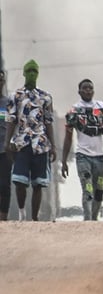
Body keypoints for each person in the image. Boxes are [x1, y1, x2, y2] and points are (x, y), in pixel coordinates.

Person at [61, 78, 103, 221]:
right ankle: (88, 220)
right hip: (83, 156)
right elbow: (68, 137)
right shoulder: (74, 112)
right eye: (85, 88)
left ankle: (94, 221)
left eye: (90, 88)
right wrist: (64, 160)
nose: (88, 90)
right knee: (88, 189)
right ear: (79, 91)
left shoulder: (101, 110)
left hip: (100, 158)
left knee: (99, 191)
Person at [4, 59, 56, 221]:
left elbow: (48, 122)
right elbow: (11, 120)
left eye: (35, 71)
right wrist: (7, 142)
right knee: (19, 182)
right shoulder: (16, 96)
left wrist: (53, 146)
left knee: (39, 183)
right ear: (24, 73)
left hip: (40, 144)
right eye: (29, 71)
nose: (32, 74)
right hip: (21, 143)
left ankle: (34, 218)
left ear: (38, 74)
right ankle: (22, 213)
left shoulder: (46, 97)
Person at [0, 69, 13, 221]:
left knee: (4, 185)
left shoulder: (8, 103)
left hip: (4, 150)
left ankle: (3, 220)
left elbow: (14, 124)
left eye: (0, 80)